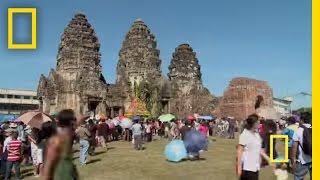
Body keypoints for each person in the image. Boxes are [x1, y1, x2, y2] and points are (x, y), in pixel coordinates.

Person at [42, 109, 80, 180]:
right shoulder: (56, 141)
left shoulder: (68, 136)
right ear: (71, 122)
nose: (76, 122)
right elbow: (48, 169)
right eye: (75, 119)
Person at [236, 114, 271, 180]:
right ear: (254, 123)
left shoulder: (256, 134)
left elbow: (259, 149)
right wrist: (239, 167)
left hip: (255, 167)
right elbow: (239, 151)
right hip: (247, 168)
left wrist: (268, 159)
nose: (259, 123)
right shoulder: (245, 134)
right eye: (258, 122)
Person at [292, 112, 312, 180]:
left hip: (303, 160)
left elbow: (294, 146)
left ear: (302, 120)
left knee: (298, 177)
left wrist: (294, 158)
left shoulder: (298, 130)